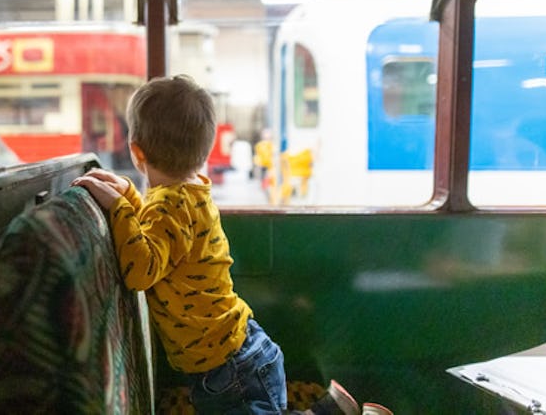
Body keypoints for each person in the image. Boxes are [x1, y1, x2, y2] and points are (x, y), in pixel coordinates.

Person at [73, 75, 388, 414]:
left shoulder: (169, 205)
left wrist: (120, 207)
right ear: (205, 149)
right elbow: (162, 237)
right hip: (237, 353)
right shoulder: (189, 193)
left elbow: (141, 271)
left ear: (136, 152)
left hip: (228, 371)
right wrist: (130, 196)